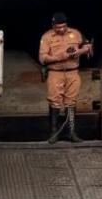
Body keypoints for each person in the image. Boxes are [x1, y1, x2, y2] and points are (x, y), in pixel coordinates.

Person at [39, 12, 91, 143]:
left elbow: (87, 46)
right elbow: (43, 58)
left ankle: (71, 133)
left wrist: (80, 51)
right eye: (58, 27)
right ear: (53, 26)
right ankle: (53, 133)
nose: (62, 29)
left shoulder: (76, 33)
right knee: (54, 102)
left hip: (73, 73)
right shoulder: (46, 37)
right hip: (55, 73)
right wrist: (61, 57)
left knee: (71, 102)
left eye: (64, 26)